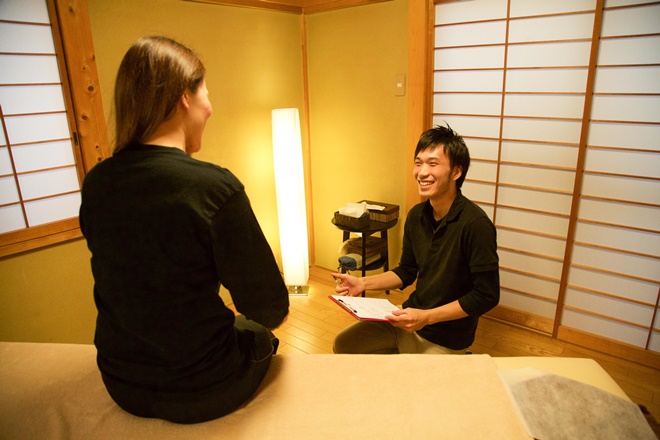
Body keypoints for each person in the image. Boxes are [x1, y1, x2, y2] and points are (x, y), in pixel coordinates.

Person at [79, 36, 289, 424]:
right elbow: (269, 307)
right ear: (184, 99)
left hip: (121, 380)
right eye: (206, 94)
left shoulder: (97, 182)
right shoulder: (214, 188)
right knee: (261, 336)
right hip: (202, 389)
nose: (211, 108)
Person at [332, 124, 499, 354]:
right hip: (408, 318)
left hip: (446, 335)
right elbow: (407, 271)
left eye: (433, 163)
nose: (422, 172)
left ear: (457, 172)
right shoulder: (416, 216)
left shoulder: (475, 225)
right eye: (418, 163)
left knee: (420, 387)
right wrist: (363, 283)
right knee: (344, 344)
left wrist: (426, 317)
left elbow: (487, 295)